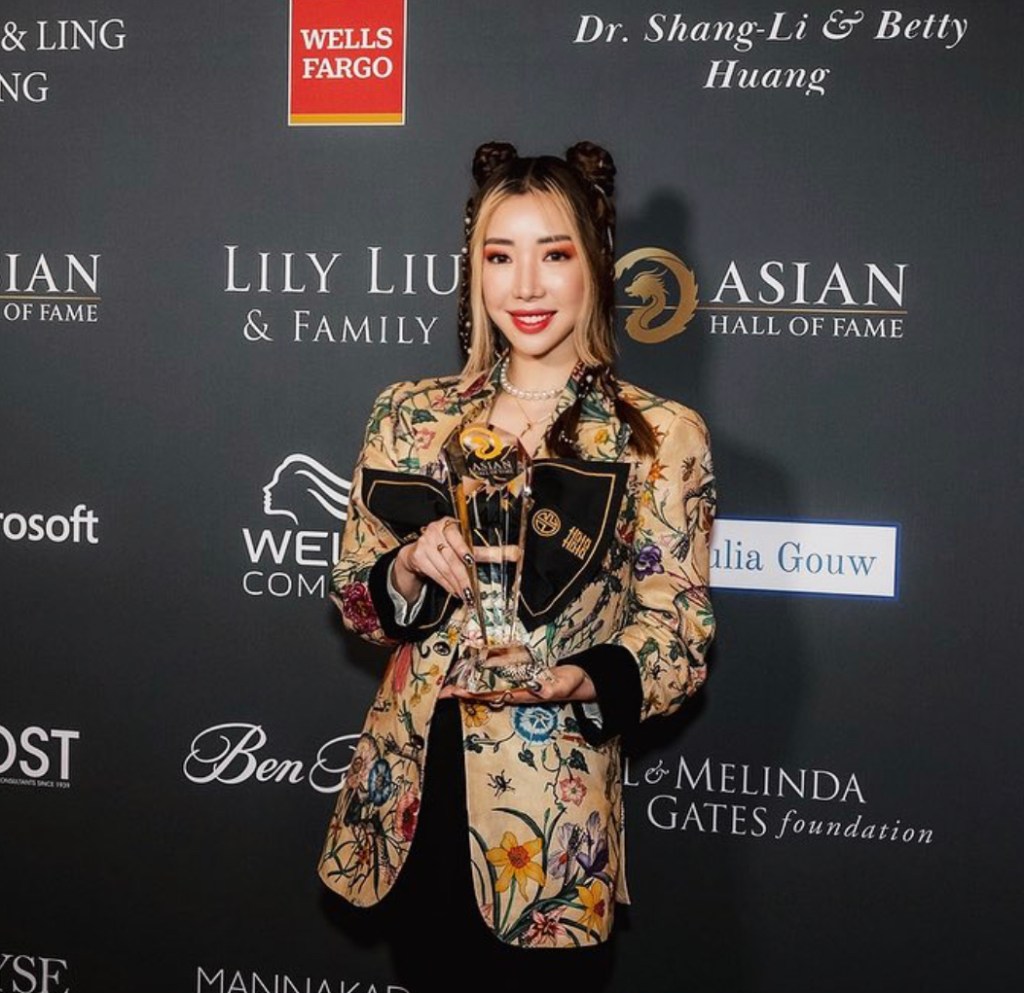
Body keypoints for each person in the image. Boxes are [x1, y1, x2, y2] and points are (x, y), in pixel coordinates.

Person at [318, 140, 716, 986]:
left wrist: (589, 676)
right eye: (501, 256)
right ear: (476, 269)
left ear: (594, 264)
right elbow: (353, 594)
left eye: (554, 254)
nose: (526, 286)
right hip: (410, 803)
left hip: (551, 831)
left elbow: (679, 629)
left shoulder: (657, 436)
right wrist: (409, 564)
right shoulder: (409, 416)